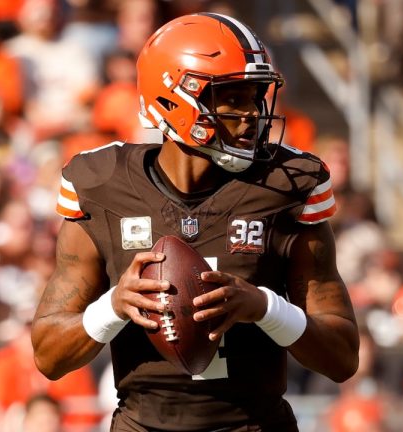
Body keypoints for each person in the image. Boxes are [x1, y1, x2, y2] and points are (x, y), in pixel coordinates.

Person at [31, 12, 360, 432]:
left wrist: (264, 307)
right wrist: (114, 306)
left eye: (256, 97)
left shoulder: (286, 185)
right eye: (233, 98)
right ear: (172, 100)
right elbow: (49, 357)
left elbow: (342, 358)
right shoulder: (103, 184)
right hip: (142, 423)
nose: (252, 116)